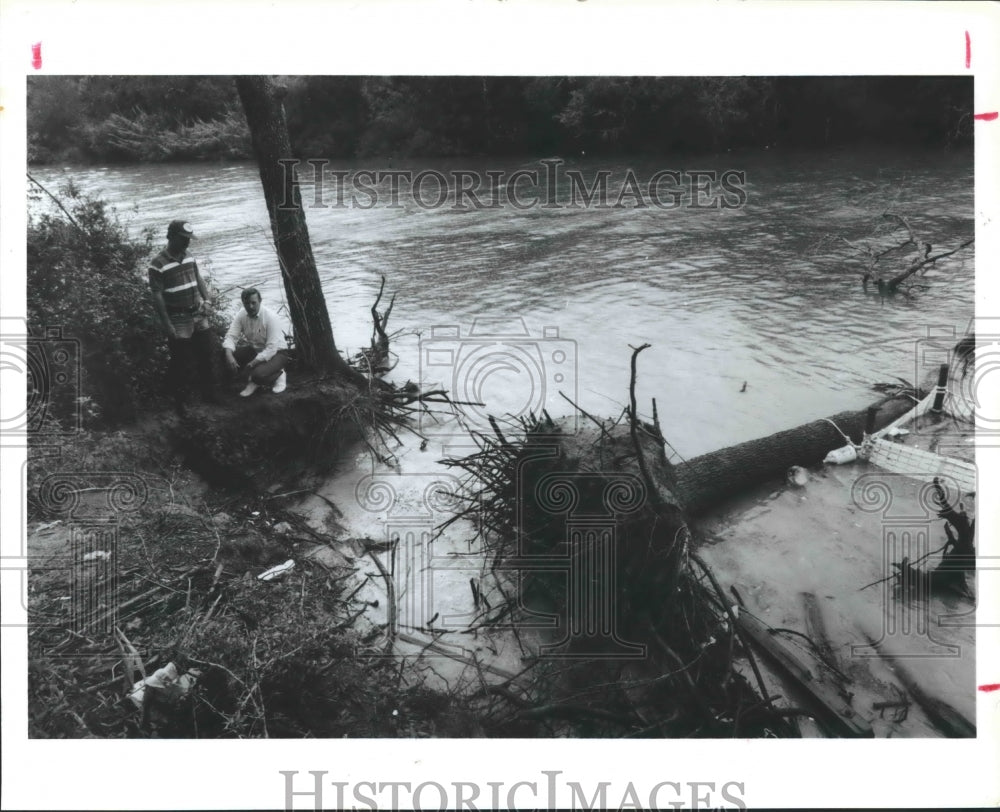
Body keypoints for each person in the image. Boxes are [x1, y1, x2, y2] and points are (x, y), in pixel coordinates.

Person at [148, 219, 217, 413]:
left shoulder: (189, 256)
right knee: (182, 360)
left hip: (198, 313)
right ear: (171, 237)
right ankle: (182, 402)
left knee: (206, 354)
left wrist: (208, 301)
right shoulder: (157, 264)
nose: (187, 243)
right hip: (178, 318)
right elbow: (157, 295)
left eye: (189, 239)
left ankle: (210, 395)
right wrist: (167, 323)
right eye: (184, 239)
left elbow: (198, 279)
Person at [222, 288, 290, 396]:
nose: (250, 307)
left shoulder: (270, 317)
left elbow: (271, 348)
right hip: (256, 350)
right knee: (226, 355)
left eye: (254, 303)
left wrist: (252, 363)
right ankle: (256, 376)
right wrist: (228, 355)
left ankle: (279, 374)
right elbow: (231, 336)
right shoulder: (241, 314)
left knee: (257, 375)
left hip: (278, 353)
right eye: (247, 303)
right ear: (243, 303)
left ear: (260, 301)